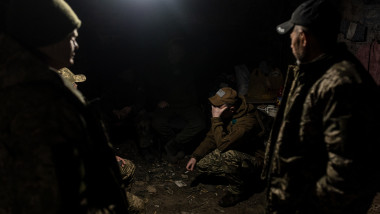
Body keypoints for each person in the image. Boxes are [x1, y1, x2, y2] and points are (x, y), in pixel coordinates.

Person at [0, 0, 131, 213]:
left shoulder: (19, 82)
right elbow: (52, 191)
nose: (76, 46)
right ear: (50, 40)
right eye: (72, 38)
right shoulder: (41, 98)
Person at [262, 0, 380, 213]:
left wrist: (302, 205)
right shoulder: (315, 72)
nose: (290, 41)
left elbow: (348, 173)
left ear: (303, 38)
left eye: (292, 34)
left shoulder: (340, 83)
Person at [186, 87, 266, 207]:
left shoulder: (247, 122)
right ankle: (237, 176)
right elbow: (211, 137)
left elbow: (223, 146)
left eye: (218, 107)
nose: (214, 110)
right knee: (202, 165)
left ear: (231, 108)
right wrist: (195, 156)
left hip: (254, 159)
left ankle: (238, 191)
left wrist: (216, 119)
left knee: (229, 156)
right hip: (236, 150)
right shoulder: (227, 114)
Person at [150, 37, 207, 163]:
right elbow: (154, 87)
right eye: (170, 51)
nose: (172, 55)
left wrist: (197, 102)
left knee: (200, 123)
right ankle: (176, 145)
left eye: (176, 52)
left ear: (182, 53)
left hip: (187, 105)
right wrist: (159, 100)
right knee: (157, 122)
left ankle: (173, 145)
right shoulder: (162, 69)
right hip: (169, 105)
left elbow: (198, 88)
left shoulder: (190, 68)